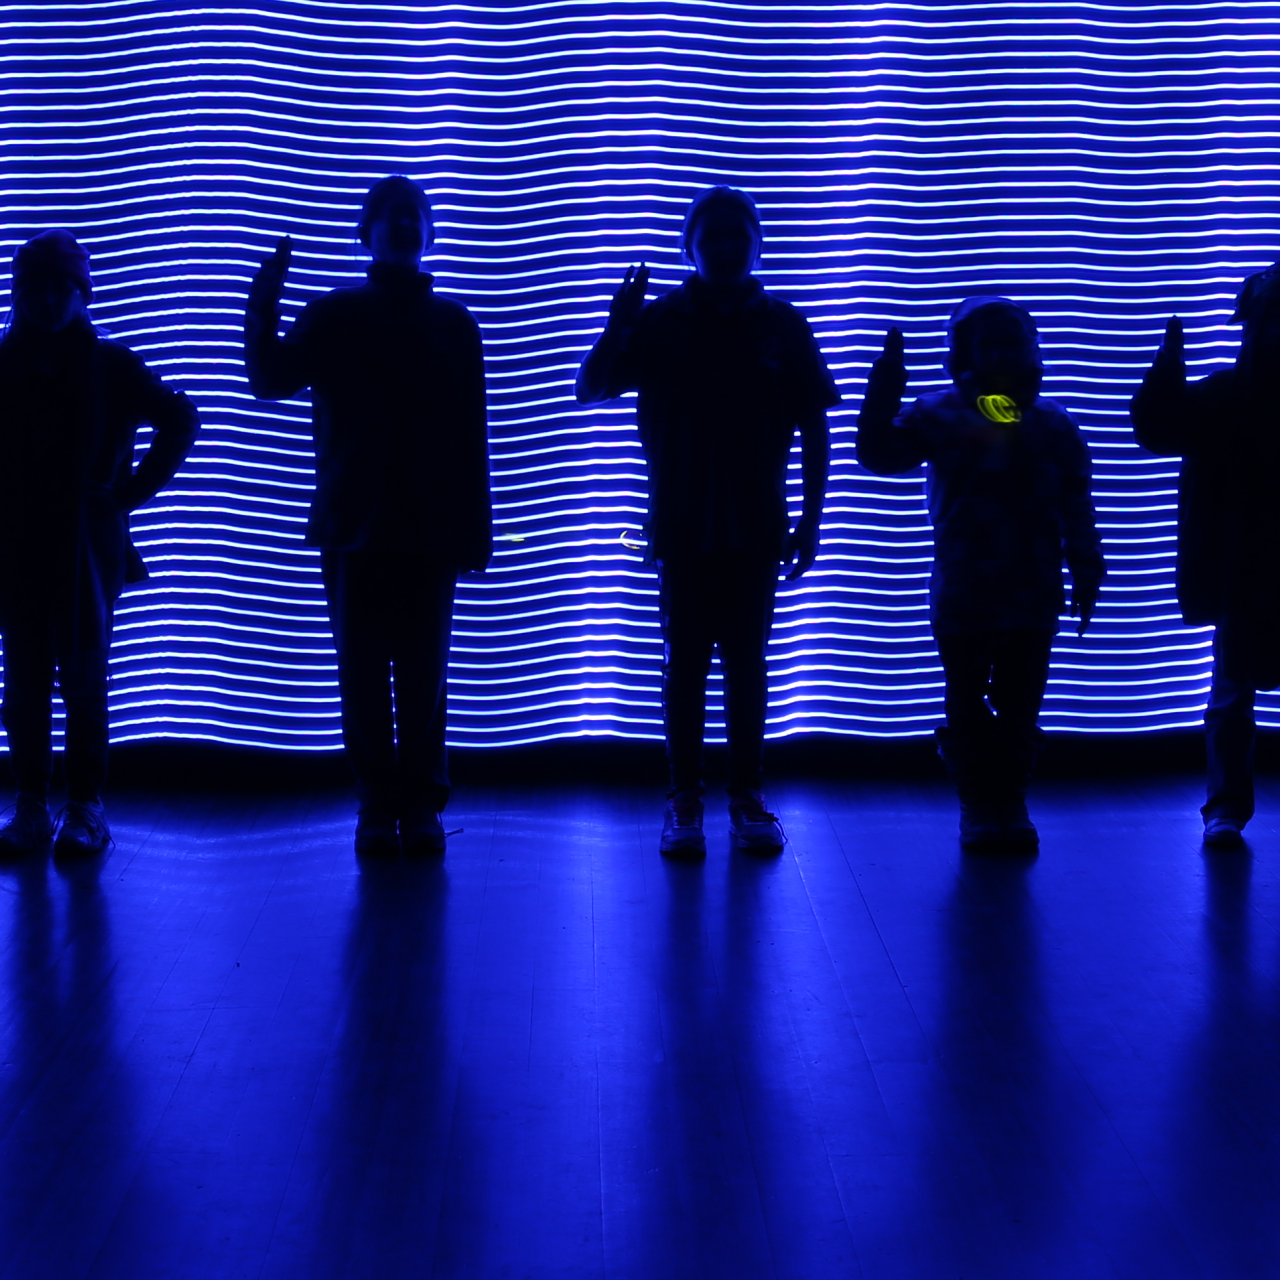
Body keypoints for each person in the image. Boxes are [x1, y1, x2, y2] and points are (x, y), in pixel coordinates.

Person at [575, 185, 838, 857]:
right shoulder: (663, 321)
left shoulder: (783, 324)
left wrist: (809, 521)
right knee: (690, 666)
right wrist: (620, 324)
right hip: (689, 522)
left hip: (752, 524)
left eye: (736, 234)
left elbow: (814, 426)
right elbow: (593, 387)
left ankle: (739, 797)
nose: (725, 245)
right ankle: (688, 798)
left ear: (756, 243)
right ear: (691, 244)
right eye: (713, 234)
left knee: (742, 665)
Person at [245, 175, 491, 859]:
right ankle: (393, 804)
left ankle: (401, 805)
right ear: (368, 232)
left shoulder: (446, 323)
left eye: (414, 215)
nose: (405, 225)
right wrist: (263, 304)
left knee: (416, 672)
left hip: (403, 523)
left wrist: (476, 528)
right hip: (364, 521)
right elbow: (272, 381)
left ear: (429, 232)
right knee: (380, 670)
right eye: (393, 215)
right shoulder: (344, 316)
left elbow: (474, 433)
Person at [857, 298, 1104, 851]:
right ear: (964, 352)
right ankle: (983, 803)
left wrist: (1087, 568)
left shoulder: (1040, 423)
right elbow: (879, 455)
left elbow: (1077, 506)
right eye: (988, 345)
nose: (999, 355)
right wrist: (884, 388)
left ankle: (1004, 800)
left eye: (1008, 344)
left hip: (1022, 589)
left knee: (1018, 704)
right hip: (976, 589)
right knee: (970, 701)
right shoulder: (964, 417)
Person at [0, 230, 199, 856]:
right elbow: (179, 418)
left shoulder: (108, 367)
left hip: (73, 548)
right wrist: (126, 492)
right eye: (41, 288)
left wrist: (129, 491)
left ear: (80, 292)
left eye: (62, 288)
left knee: (71, 678)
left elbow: (178, 420)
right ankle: (48, 804)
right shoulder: (98, 365)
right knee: (33, 679)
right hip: (45, 546)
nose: (51, 300)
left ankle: (74, 804)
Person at [1129, 263, 1280, 848]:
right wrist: (1167, 371)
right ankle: (1223, 807)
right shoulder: (1224, 398)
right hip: (1242, 567)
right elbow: (1160, 428)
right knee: (1231, 691)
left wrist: (1168, 368)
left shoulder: (1223, 396)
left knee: (1231, 692)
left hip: (1239, 565)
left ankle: (1224, 808)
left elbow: (1159, 428)